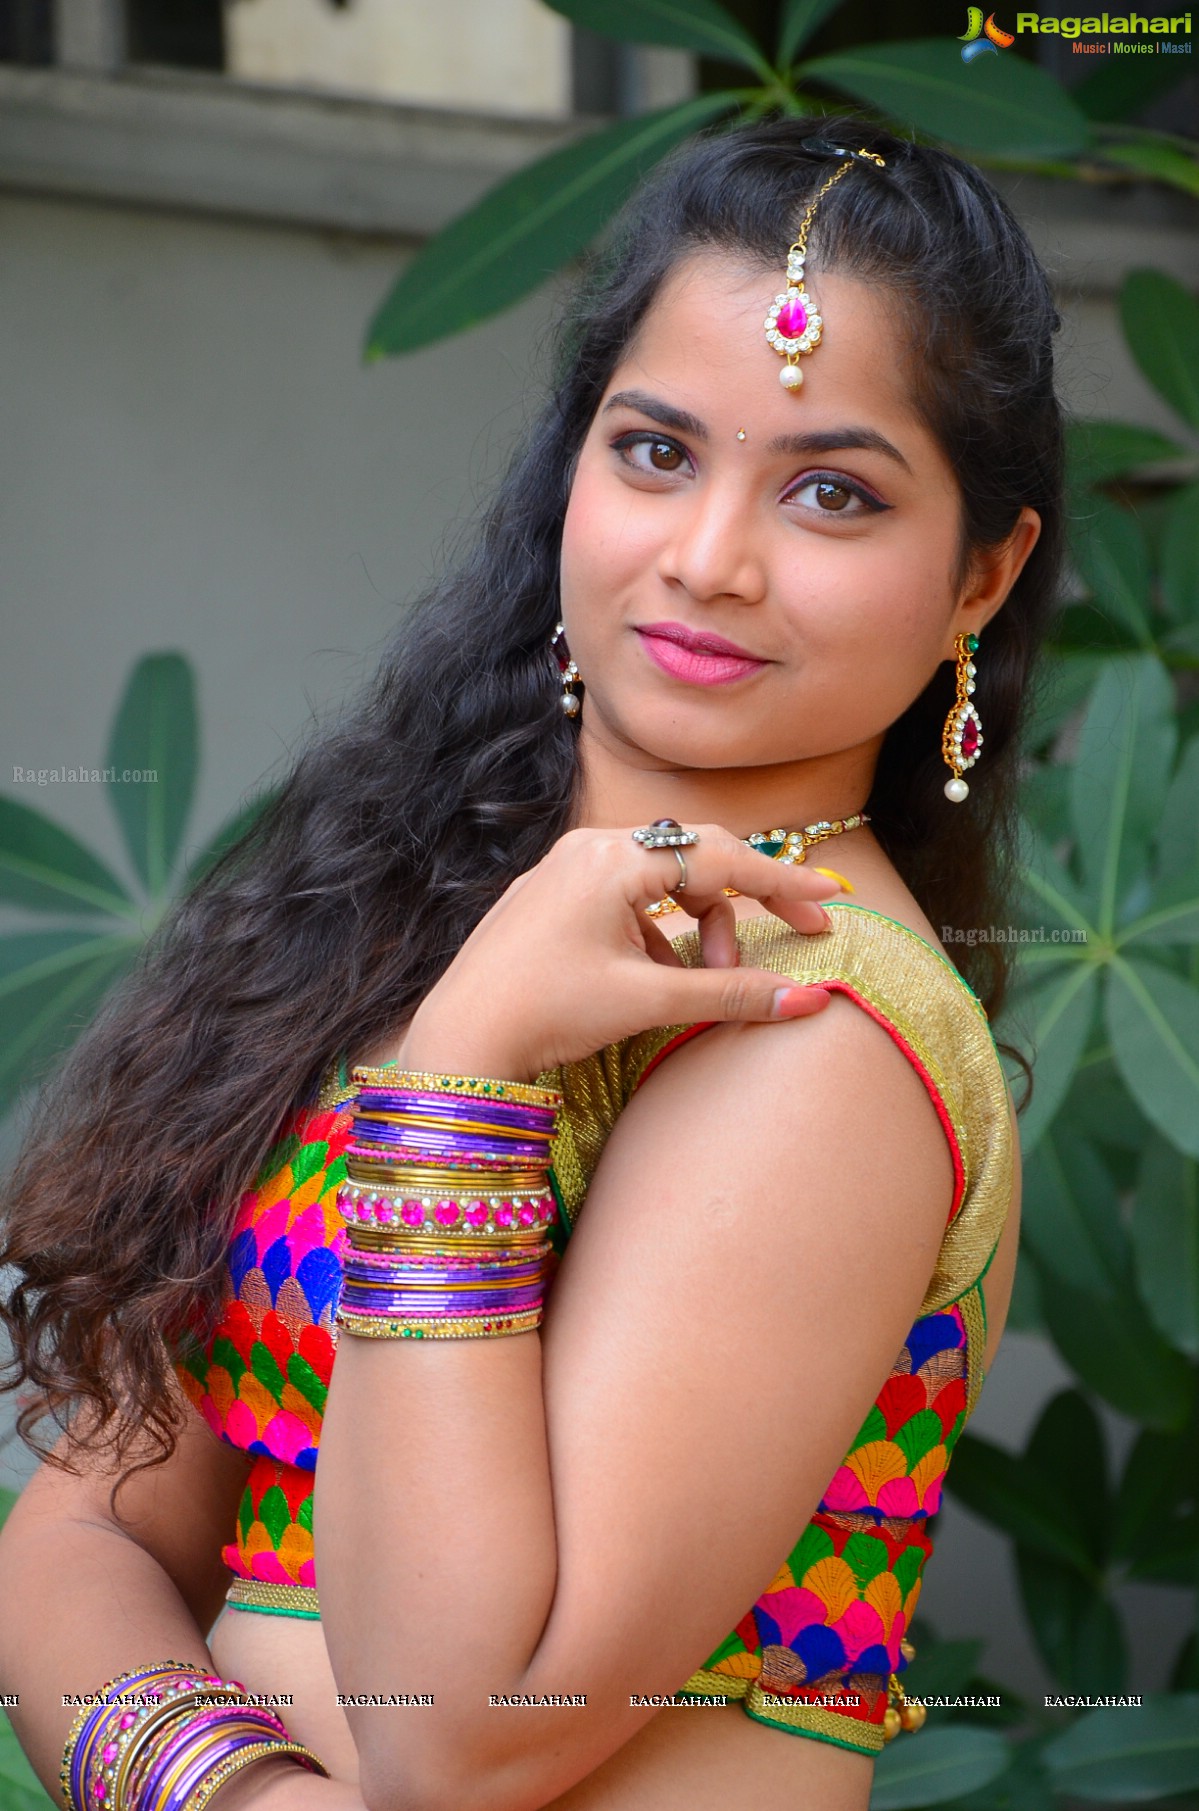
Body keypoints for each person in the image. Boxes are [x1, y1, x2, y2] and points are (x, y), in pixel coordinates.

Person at [0, 113, 1061, 1811]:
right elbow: (84, 1522)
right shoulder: (418, 920)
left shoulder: (826, 1020)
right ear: (572, 464)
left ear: (979, 580)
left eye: (831, 492)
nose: (708, 557)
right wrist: (243, 1800)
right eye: (655, 453)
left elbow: (461, 1732)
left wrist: (464, 1078)